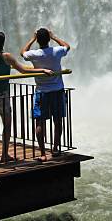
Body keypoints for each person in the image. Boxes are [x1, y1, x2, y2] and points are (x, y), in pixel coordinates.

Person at [0, 32, 52, 166]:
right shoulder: (6, 56)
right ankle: (4, 155)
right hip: (1, 95)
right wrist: (42, 70)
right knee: (7, 124)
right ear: (2, 43)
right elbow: (23, 71)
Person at [20, 28, 71, 162]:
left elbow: (22, 53)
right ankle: (55, 149)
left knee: (40, 122)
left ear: (38, 40)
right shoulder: (56, 51)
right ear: (48, 39)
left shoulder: (34, 54)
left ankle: (42, 153)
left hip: (42, 92)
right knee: (58, 120)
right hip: (58, 90)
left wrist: (32, 39)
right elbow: (67, 46)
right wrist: (54, 36)